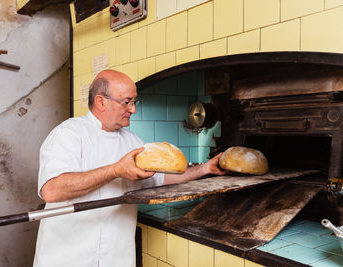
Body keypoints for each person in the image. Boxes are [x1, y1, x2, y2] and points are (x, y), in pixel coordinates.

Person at [33, 69, 227, 267]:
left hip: (116, 257)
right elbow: (52, 190)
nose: (133, 109)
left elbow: (160, 178)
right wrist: (115, 170)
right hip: (68, 257)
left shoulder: (133, 142)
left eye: (135, 102)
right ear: (101, 101)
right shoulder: (69, 134)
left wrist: (205, 169)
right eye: (127, 102)